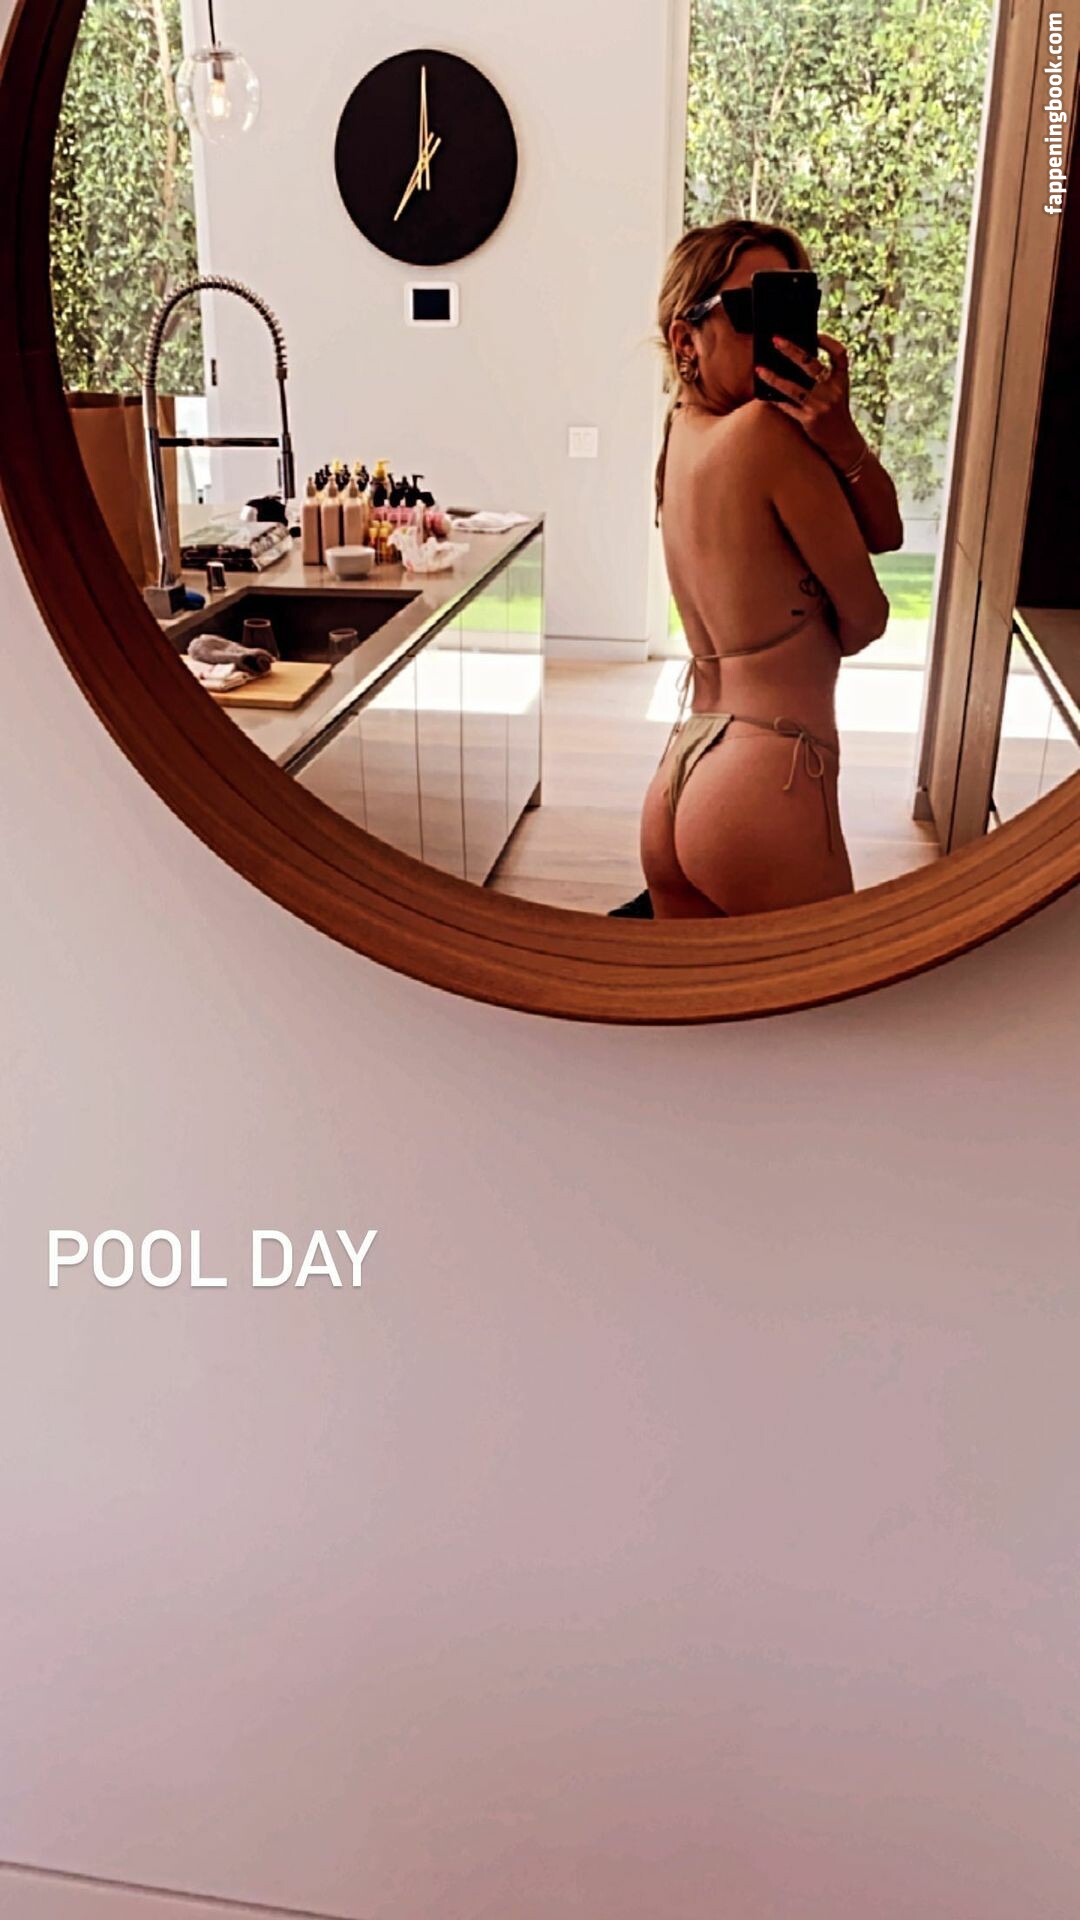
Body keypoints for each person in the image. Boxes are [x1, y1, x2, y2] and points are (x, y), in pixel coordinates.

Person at [638, 220, 903, 919]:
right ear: (685, 339)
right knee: (831, 986)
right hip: (767, 775)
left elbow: (886, 533)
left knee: (695, 993)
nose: (779, 333)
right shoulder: (766, 432)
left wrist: (837, 434)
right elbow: (869, 615)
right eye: (750, 309)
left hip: (683, 769)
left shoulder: (677, 436)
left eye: (791, 303)